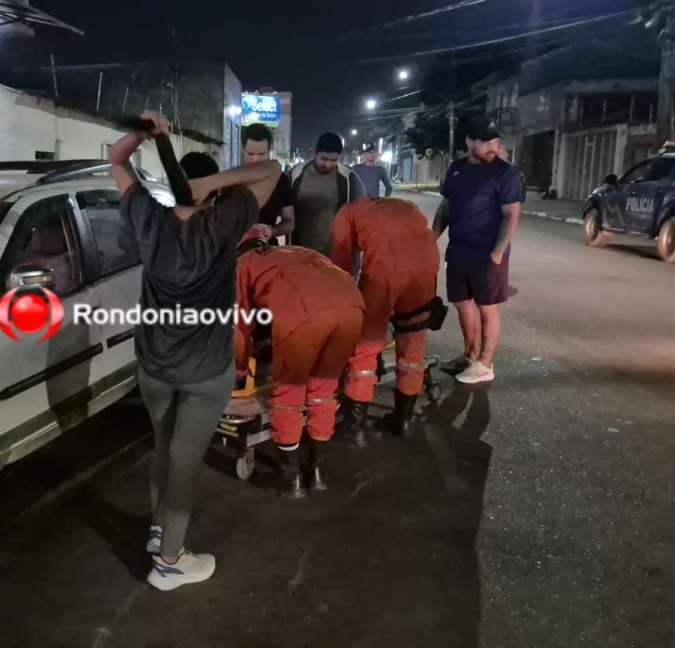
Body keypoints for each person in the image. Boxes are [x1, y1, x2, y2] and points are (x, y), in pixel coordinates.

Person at [109, 111, 280, 592]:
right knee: (184, 462)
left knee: (164, 448)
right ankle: (169, 562)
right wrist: (211, 185)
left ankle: (159, 529)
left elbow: (115, 158)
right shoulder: (225, 220)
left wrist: (146, 133)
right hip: (205, 371)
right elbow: (272, 170)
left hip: (155, 366)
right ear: (211, 186)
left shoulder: (147, 216)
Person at [234, 225, 365, 498]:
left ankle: (291, 478)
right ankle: (317, 472)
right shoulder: (298, 251)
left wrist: (241, 369)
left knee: (289, 395)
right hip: (352, 306)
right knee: (323, 391)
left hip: (303, 314)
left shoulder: (243, 263)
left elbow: (240, 326)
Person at [332, 197, 441, 444]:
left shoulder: (346, 212)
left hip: (385, 270)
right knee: (412, 342)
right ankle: (403, 420)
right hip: (426, 266)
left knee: (365, 347)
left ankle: (354, 429)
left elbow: (342, 265)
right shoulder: (404, 205)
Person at [431, 116, 523, 385]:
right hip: (459, 248)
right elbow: (446, 207)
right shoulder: (457, 168)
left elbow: (511, 216)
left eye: (496, 141)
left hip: (487, 252)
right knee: (461, 303)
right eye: (486, 142)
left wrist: (497, 252)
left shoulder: (506, 173)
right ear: (469, 141)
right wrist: (431, 239)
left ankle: (485, 363)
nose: (492, 147)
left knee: (486, 308)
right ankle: (469, 356)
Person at [290, 132, 367, 256]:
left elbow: (363, 214)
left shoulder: (349, 179)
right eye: (324, 159)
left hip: (336, 257)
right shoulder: (294, 176)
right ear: (315, 153)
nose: (328, 165)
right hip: (300, 254)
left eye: (334, 160)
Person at [241, 124, 295, 242]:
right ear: (242, 148)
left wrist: (272, 231)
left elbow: (289, 222)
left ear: (270, 149)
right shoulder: (230, 180)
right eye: (250, 154)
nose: (255, 160)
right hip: (234, 253)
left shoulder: (280, 181)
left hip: (267, 249)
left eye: (261, 154)